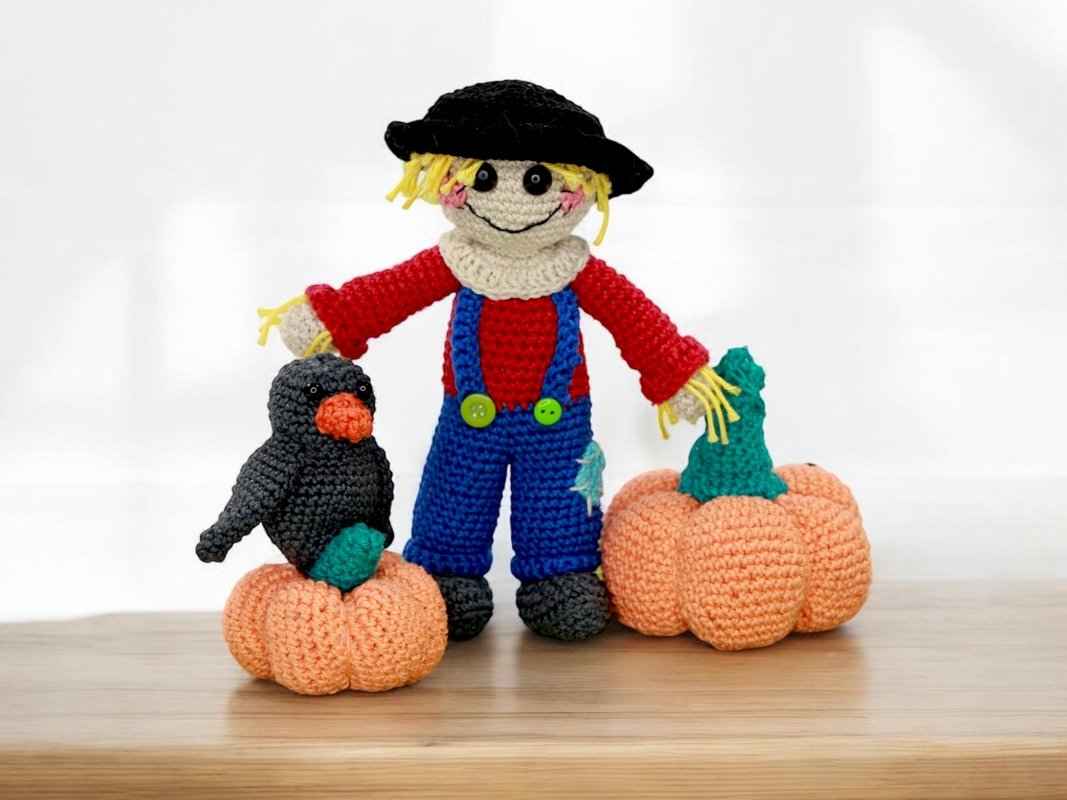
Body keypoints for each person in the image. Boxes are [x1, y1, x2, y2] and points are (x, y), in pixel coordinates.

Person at [259, 80, 738, 641]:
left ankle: (560, 577)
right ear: (445, 179)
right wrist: (334, 318)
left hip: (559, 425)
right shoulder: (454, 261)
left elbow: (638, 322)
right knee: (452, 502)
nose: (512, 197)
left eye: (538, 180)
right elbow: (386, 295)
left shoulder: (578, 270)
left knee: (559, 508)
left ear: (585, 188)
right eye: (483, 177)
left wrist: (677, 373)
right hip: (470, 421)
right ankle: (445, 578)